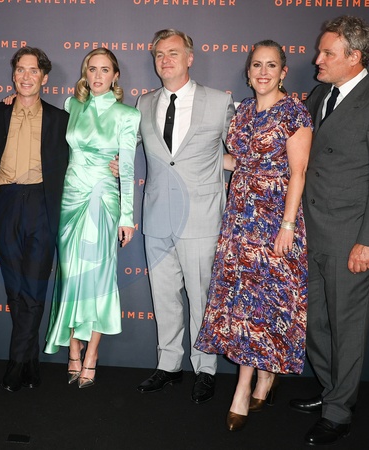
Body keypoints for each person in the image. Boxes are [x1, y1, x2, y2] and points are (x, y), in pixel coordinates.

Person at [290, 16, 369, 445]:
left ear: (354, 57)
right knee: (315, 324)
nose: (317, 60)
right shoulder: (321, 94)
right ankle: (332, 390)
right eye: (320, 51)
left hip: (350, 240)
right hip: (311, 232)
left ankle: (339, 413)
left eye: (327, 53)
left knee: (347, 329)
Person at [194, 40, 312, 431]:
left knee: (264, 305)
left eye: (271, 65)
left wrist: (288, 225)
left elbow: (298, 173)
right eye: (257, 65)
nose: (263, 72)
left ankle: (243, 389)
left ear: (283, 72)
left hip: (275, 219)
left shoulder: (294, 111)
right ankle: (264, 378)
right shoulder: (242, 110)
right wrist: (192, 159)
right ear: (248, 72)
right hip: (239, 219)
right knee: (243, 303)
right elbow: (236, 161)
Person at [134, 29, 234, 402]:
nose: (165, 60)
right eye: (159, 54)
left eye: (173, 53)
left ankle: (205, 369)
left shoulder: (219, 101)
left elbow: (240, 153)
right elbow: (122, 142)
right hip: (157, 215)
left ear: (189, 58)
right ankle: (169, 365)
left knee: (202, 297)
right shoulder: (143, 103)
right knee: (164, 297)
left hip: (202, 217)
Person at [44, 48, 141, 388]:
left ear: (116, 76)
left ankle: (92, 354)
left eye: (105, 70)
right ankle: (73, 347)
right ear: (85, 73)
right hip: (69, 199)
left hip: (102, 199)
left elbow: (126, 168)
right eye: (92, 69)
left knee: (98, 279)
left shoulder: (128, 115)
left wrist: (126, 216)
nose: (98, 75)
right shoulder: (72, 106)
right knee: (70, 276)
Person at [0, 47, 69, 392]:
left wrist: (114, 164)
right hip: (4, 202)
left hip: (41, 203)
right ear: (13, 75)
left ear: (44, 78)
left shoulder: (60, 119)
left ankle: (17, 363)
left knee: (34, 286)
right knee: (15, 287)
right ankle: (29, 362)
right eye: (21, 69)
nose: (26, 76)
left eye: (34, 70)